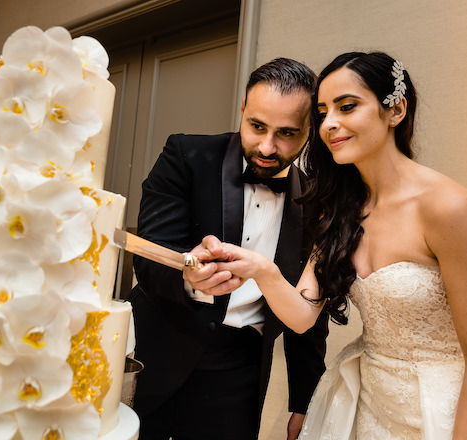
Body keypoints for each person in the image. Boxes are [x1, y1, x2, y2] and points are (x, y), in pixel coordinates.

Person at [190, 51, 467, 439]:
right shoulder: (339, 208)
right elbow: (302, 316)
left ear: (395, 110)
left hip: (447, 410)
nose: (330, 124)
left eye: (347, 107)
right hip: (369, 406)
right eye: (321, 113)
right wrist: (260, 269)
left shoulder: (447, 207)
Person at [128, 57, 329, 440]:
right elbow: (148, 257)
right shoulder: (186, 156)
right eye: (257, 126)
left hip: (238, 373)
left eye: (287, 133)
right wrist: (189, 278)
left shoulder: (319, 201)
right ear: (242, 109)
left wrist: (304, 402)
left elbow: (310, 313)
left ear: (310, 130)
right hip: (156, 352)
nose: (268, 146)